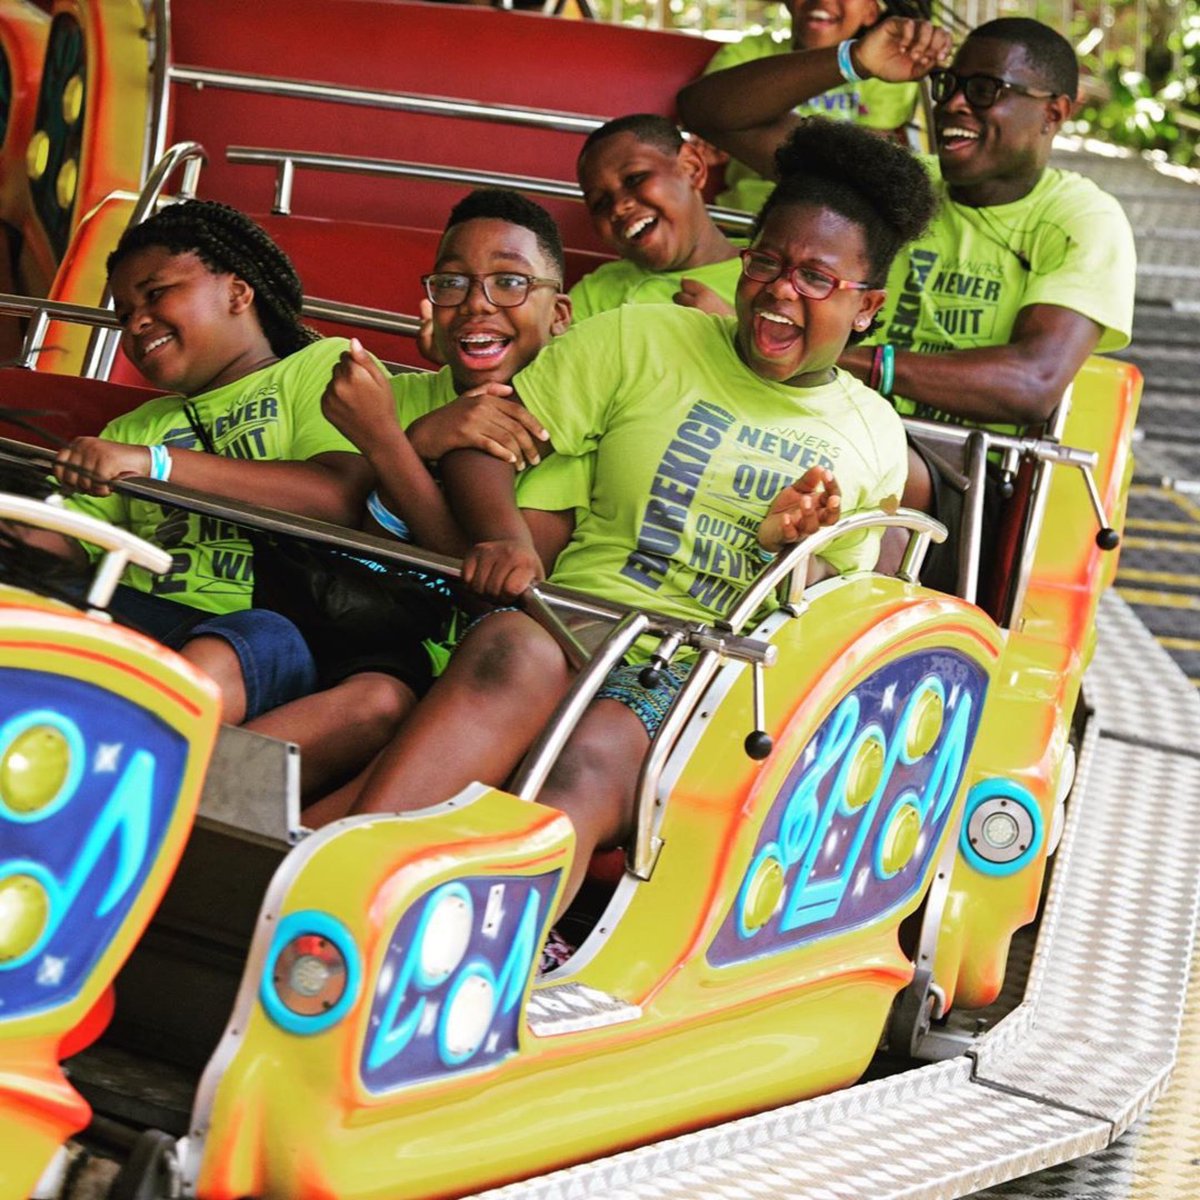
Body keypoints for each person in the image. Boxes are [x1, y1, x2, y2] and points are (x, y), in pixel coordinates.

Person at [318, 119, 936, 938]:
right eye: (767, 264)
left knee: (600, 749)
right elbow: (485, 438)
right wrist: (501, 537)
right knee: (515, 648)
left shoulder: (872, 435)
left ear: (867, 309)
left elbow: (834, 627)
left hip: (700, 681)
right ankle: (332, 891)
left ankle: (480, 944)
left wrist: (793, 559)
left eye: (817, 279)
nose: (781, 291)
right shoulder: (645, 335)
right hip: (572, 620)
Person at [675, 17, 1136, 580]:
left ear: (1055, 112)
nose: (953, 105)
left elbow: (1031, 384)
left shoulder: (1079, 217)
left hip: (952, 475)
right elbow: (709, 113)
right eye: (948, 85)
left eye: (985, 89)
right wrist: (854, 61)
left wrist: (807, 347)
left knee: (868, 483)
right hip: (811, 424)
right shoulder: (902, 190)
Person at [16, 200, 372, 739]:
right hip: (133, 613)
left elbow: (335, 498)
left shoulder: (319, 369)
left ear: (237, 292)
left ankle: (130, 752)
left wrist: (156, 464)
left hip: (262, 630)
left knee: (261, 637)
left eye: (156, 294)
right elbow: (72, 540)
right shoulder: (134, 426)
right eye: (122, 314)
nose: (135, 323)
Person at [292, 187, 589, 816]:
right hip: (348, 642)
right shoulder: (380, 395)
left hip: (470, 688)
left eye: (509, 282)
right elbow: (334, 516)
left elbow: (493, 585)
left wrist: (391, 446)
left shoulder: (568, 433)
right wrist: (415, 435)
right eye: (452, 283)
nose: (477, 304)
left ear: (559, 314)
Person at [679, 0, 924, 213]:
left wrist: (741, 128)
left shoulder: (887, 70)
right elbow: (707, 113)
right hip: (745, 215)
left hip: (838, 222)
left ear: (871, 11)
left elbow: (864, 162)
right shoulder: (748, 53)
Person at [571, 114, 743, 320]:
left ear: (691, 168)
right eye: (600, 202)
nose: (618, 208)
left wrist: (732, 331)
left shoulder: (771, 275)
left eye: (634, 179)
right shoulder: (594, 295)